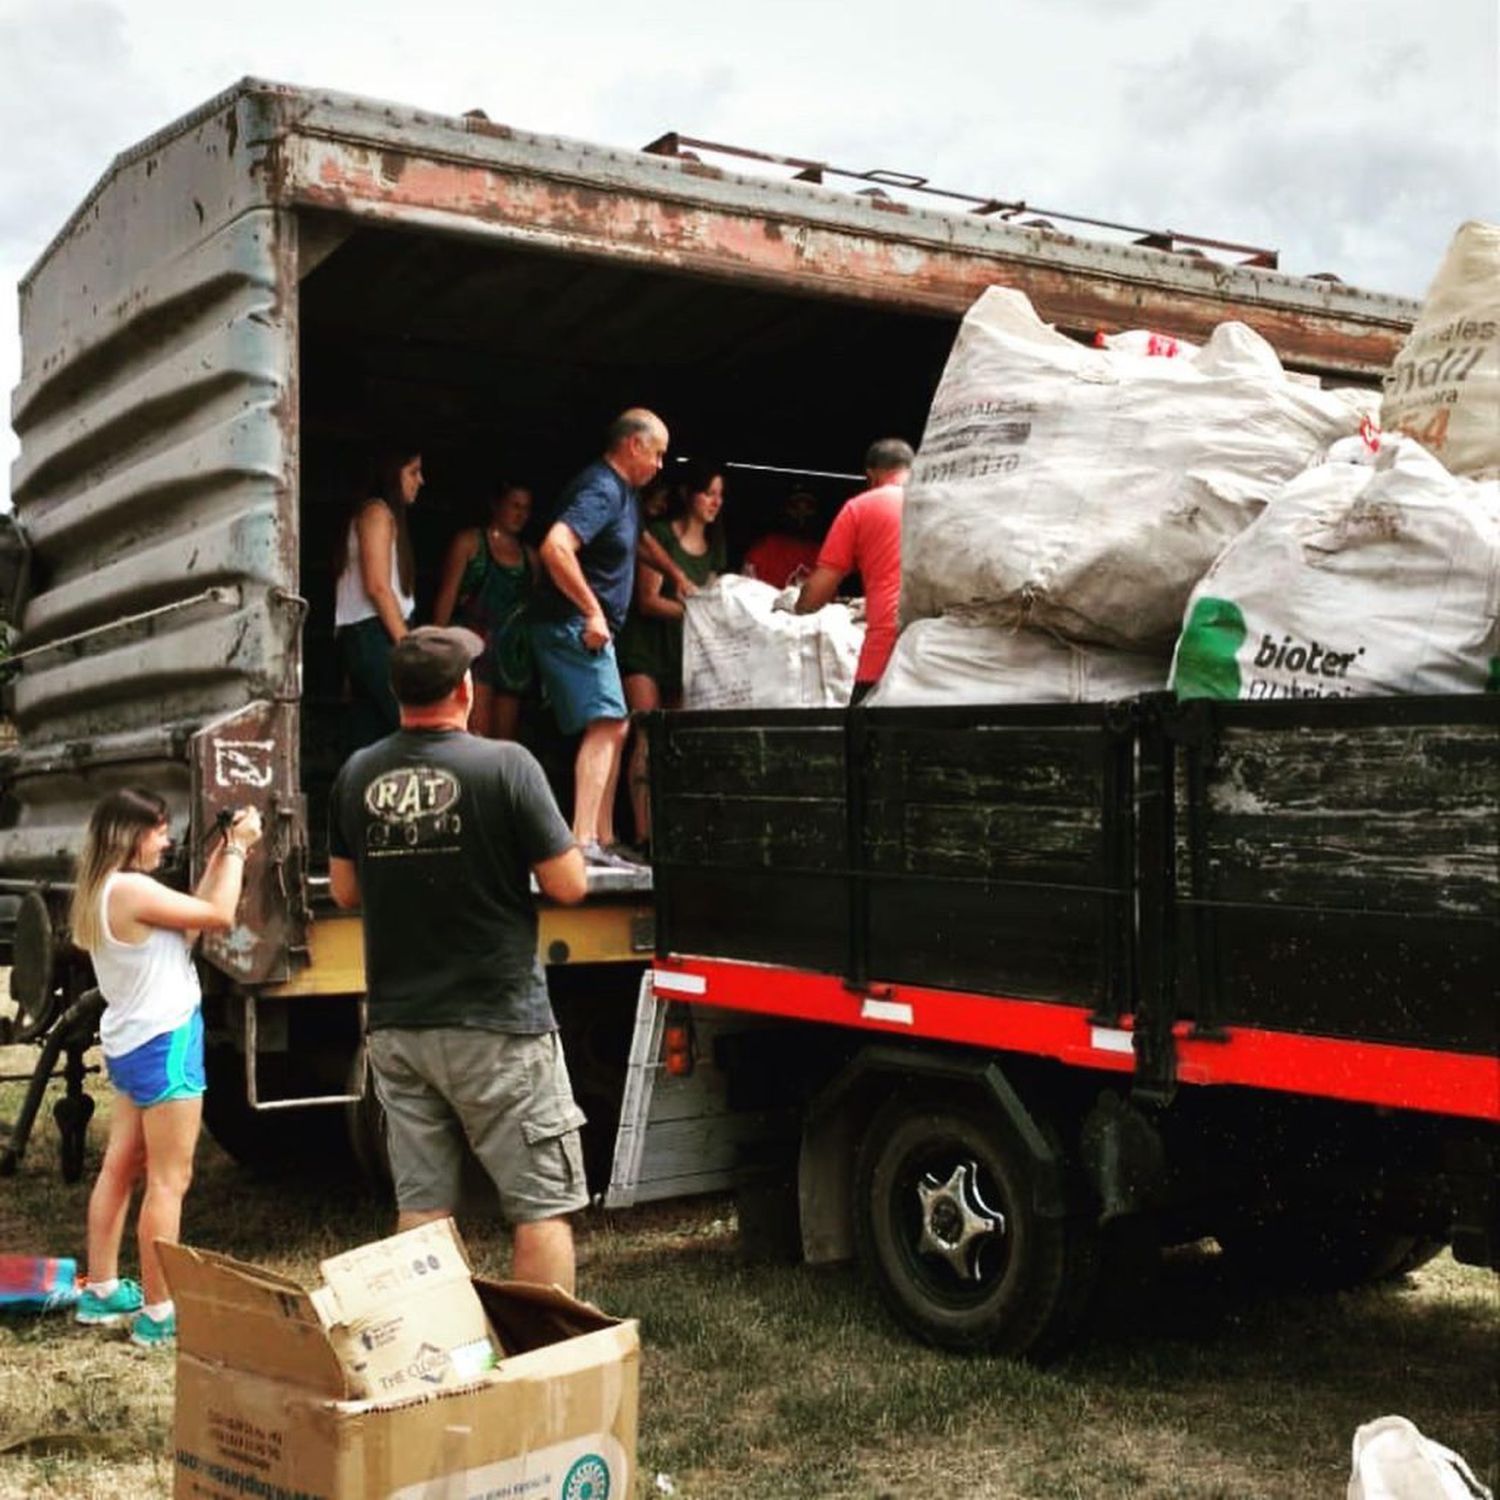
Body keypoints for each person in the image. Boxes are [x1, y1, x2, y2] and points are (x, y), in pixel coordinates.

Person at [328, 626, 590, 1290]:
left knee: (422, 1207)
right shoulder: (506, 765)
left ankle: (432, 1361)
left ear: (396, 695)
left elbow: (345, 890)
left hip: (399, 1026)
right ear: (465, 690)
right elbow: (568, 884)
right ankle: (539, 1362)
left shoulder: (357, 773)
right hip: (497, 1022)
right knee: (540, 1209)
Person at [70, 789, 263, 1348]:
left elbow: (193, 924)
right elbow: (222, 916)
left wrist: (223, 852)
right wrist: (238, 852)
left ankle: (102, 1290)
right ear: (131, 836)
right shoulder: (134, 889)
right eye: (157, 830)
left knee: (120, 1168)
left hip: (131, 1041)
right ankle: (160, 1311)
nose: (167, 839)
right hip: (166, 1041)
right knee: (169, 1180)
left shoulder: (105, 889)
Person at [528, 409, 670, 869]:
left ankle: (604, 839)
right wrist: (591, 610)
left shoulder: (624, 494)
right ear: (633, 445)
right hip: (574, 623)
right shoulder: (602, 488)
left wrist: (682, 582)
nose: (661, 465)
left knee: (616, 723)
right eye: (659, 453)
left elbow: (643, 543)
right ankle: (583, 840)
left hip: (587, 624)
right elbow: (555, 546)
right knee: (609, 722)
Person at [617, 462, 728, 849]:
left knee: (676, 741)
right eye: (709, 493)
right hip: (647, 647)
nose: (716, 502)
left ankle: (673, 832)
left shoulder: (716, 547)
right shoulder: (661, 535)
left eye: (720, 495)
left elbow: (714, 597)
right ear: (689, 495)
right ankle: (644, 833)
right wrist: (699, 612)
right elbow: (647, 602)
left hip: (685, 653)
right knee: (647, 735)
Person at [795, 438, 915, 703]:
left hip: (884, 656)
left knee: (861, 736)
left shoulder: (861, 507)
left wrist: (797, 606)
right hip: (935, 657)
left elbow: (819, 591)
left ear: (870, 475)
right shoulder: (937, 503)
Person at [432, 481, 539, 741]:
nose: (520, 514)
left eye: (526, 508)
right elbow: (447, 596)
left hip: (512, 657)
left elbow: (533, 609)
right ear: (497, 504)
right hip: (474, 649)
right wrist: (436, 647)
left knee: (504, 741)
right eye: (515, 506)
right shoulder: (470, 543)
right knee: (476, 735)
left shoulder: (531, 558)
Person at [335, 448, 424, 753]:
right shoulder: (377, 513)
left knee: (371, 740)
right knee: (418, 730)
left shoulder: (378, 514)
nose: (420, 480)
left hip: (368, 635)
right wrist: (408, 646)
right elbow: (377, 587)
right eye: (413, 471)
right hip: (377, 634)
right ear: (391, 472)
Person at [744, 488, 821, 589]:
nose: (801, 515)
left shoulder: (822, 555)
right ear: (785, 510)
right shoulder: (765, 546)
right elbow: (746, 589)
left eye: (808, 508)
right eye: (795, 507)